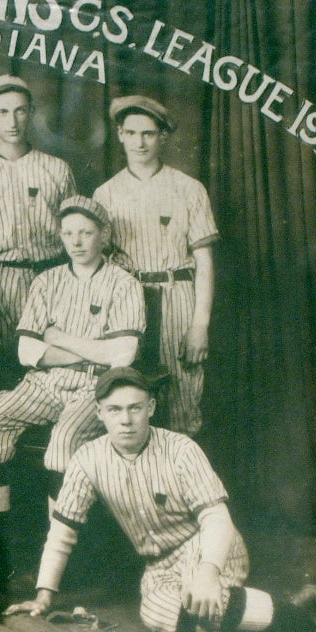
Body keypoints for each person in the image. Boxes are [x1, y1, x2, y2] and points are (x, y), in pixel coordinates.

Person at [5, 367, 316, 632]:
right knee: (160, 614)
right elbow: (63, 531)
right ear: (99, 413)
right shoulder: (87, 457)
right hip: (159, 564)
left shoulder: (180, 448)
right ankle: (292, 604)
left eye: (135, 407)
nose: (126, 419)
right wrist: (43, 595)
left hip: (208, 545)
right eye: (114, 409)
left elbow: (216, 518)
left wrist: (208, 572)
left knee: (203, 603)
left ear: (151, 407)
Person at [0, 196, 145, 583]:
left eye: (86, 232)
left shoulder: (124, 283)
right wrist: (87, 350)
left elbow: (123, 354)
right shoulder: (46, 281)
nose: (76, 241)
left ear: (104, 235)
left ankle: (60, 552)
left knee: (63, 439)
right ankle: (2, 543)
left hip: (95, 387)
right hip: (44, 384)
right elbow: (27, 351)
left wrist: (60, 338)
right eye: (68, 233)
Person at [93, 95, 216, 436]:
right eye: (131, 133)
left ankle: (178, 489)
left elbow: (204, 261)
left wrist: (200, 326)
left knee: (182, 400)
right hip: (128, 301)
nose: (140, 142)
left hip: (177, 296)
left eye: (148, 133)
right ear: (119, 134)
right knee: (127, 400)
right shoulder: (105, 194)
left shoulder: (189, 189)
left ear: (163, 136)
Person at [0, 75, 77, 385]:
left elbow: (75, 231)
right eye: (3, 112)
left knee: (55, 366)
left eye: (20, 110)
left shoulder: (57, 169)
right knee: (2, 369)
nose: (13, 121)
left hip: (51, 277)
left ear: (31, 113)